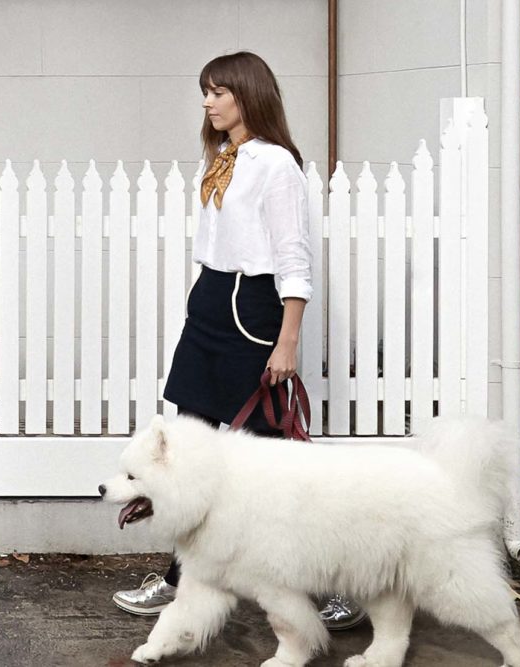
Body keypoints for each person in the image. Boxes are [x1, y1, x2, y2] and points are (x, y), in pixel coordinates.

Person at [112, 51, 363, 634]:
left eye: (219, 91)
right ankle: (177, 583)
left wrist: (287, 341)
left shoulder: (277, 165)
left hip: (252, 310)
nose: (208, 101)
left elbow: (293, 257)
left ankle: (333, 586)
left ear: (249, 95)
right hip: (210, 303)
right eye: (205, 90)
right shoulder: (223, 159)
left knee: (274, 466)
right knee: (181, 451)